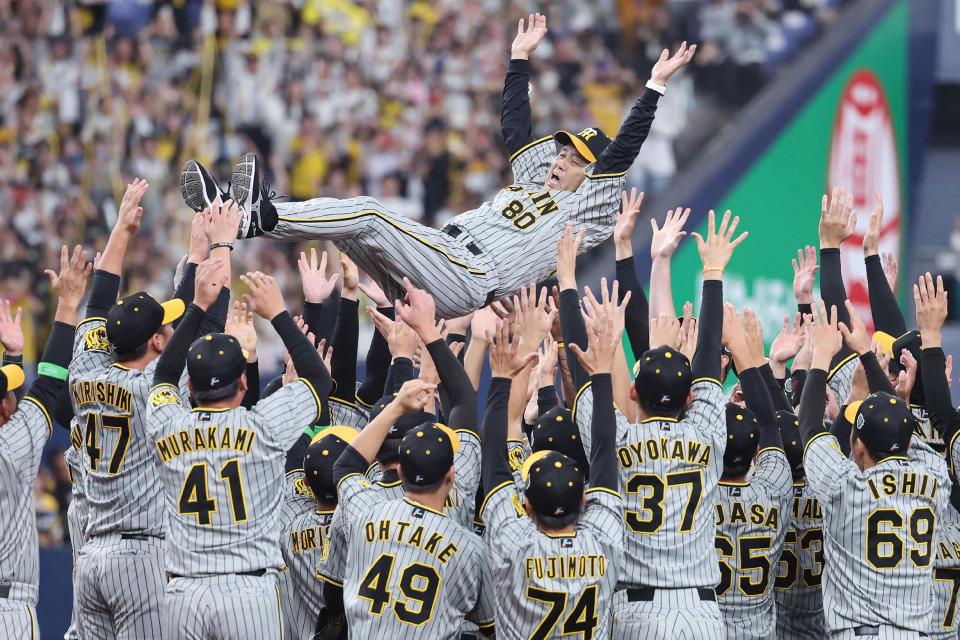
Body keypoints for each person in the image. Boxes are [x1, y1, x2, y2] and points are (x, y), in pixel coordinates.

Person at [179, 15, 696, 319]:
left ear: (593, 173)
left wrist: (654, 88)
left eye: (575, 159)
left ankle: (252, 218)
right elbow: (516, 130)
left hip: (469, 276)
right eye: (562, 151)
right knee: (351, 233)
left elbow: (623, 149)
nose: (561, 160)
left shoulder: (589, 210)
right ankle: (229, 214)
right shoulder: (537, 182)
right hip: (438, 259)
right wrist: (518, 60)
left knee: (370, 213)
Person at [569, 210, 745, 638]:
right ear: (690, 396)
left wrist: (568, 282)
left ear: (632, 392)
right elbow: (706, 363)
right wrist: (713, 272)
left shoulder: (619, 436)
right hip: (702, 611)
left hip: (638, 610)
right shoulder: (706, 430)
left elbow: (584, 386)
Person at [69, 182, 232, 639]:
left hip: (89, 557)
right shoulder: (151, 388)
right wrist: (213, 258)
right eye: (164, 326)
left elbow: (98, 303)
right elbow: (202, 334)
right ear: (156, 341)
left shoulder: (84, 371)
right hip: (141, 556)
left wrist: (122, 228)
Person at [146, 261, 331, 640]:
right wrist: (279, 314)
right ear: (244, 384)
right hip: (249, 593)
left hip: (185, 594)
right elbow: (318, 379)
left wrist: (198, 305)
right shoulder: (262, 427)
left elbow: (163, 375)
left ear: (191, 389)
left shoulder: (168, 425)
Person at [478, 279, 625, 639]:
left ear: (526, 505)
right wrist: (601, 374)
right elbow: (605, 449)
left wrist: (500, 377)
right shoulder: (604, 539)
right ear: (584, 498)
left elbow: (496, 452)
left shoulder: (513, 542)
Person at [797, 299, 949, 638]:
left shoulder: (844, 486)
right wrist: (866, 353)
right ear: (909, 443)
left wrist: (823, 355)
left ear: (857, 445)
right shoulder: (936, 477)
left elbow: (808, 426)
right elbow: (907, 431)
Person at [330, 377, 497, 637]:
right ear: (450, 476)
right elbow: (489, 626)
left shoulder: (366, 513)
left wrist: (396, 406)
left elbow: (345, 466)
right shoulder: (471, 549)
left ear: (401, 470)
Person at [0, 245, 88, 638]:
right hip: (9, 610)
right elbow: (51, 382)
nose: (14, 399)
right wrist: (68, 305)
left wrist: (13, 359)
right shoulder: (12, 447)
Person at [714, 309, 792, 640]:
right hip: (759, 631)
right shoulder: (774, 487)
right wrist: (747, 357)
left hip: (708, 628)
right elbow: (770, 422)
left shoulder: (696, 491)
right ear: (755, 452)